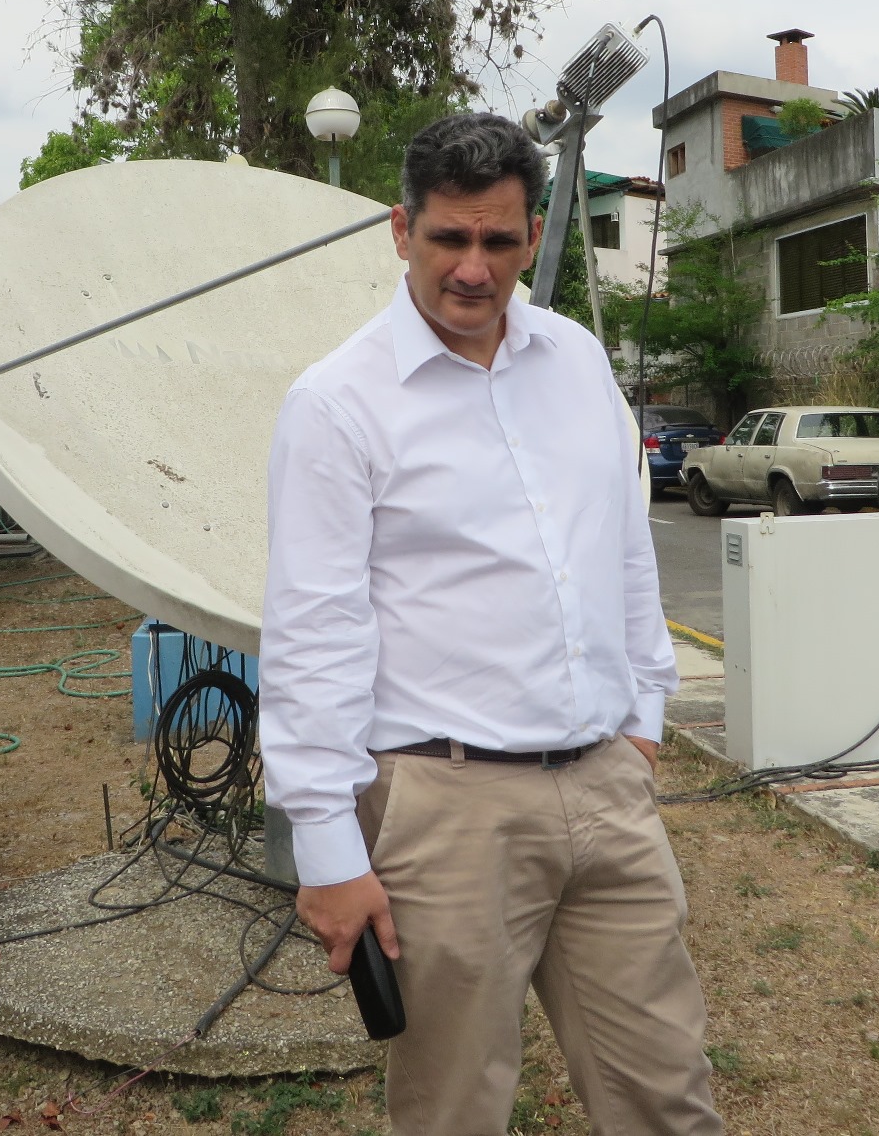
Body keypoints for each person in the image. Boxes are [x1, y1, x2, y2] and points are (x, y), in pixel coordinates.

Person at [259, 112, 723, 1135]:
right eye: (449, 238)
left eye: (499, 241)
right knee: (453, 1110)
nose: (473, 269)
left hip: (604, 786)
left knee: (666, 1095)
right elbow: (312, 635)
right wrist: (327, 850)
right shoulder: (337, 404)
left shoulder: (575, 359)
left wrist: (643, 716)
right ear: (402, 230)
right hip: (446, 806)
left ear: (530, 237)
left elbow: (620, 546)